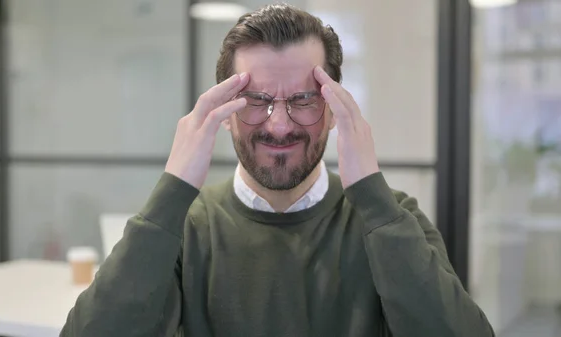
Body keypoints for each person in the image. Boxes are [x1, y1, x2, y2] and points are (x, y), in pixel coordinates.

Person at [61, 3, 494, 337]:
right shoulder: (187, 226)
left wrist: (373, 197)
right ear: (226, 112)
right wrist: (173, 190)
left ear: (332, 109)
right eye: (256, 100)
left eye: (304, 100)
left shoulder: (390, 218)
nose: (280, 124)